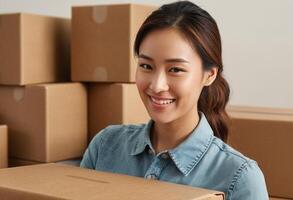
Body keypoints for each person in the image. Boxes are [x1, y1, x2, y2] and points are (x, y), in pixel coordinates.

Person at [80, 1, 269, 199]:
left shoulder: (239, 178)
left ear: (209, 75)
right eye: (146, 66)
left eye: (176, 69)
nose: (157, 85)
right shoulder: (106, 146)